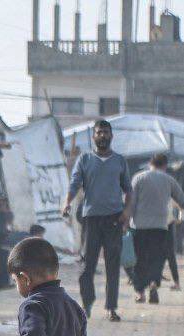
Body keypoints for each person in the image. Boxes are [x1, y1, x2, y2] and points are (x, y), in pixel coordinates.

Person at [62, 119, 133, 321]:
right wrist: (66, 202)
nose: (102, 136)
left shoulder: (119, 161)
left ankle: (111, 308)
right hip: (91, 219)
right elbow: (74, 184)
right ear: (94, 137)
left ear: (111, 136)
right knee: (87, 266)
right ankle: (87, 305)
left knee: (112, 265)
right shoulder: (84, 160)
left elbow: (129, 190)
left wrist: (127, 211)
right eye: (99, 132)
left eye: (106, 132)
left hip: (114, 219)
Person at [128, 152, 184, 305]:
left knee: (140, 259)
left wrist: (125, 221)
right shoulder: (168, 180)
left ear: (150, 163)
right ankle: (153, 284)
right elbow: (183, 199)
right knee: (156, 258)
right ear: (165, 166)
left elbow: (131, 203)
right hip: (160, 227)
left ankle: (140, 293)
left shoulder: (138, 178)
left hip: (139, 226)